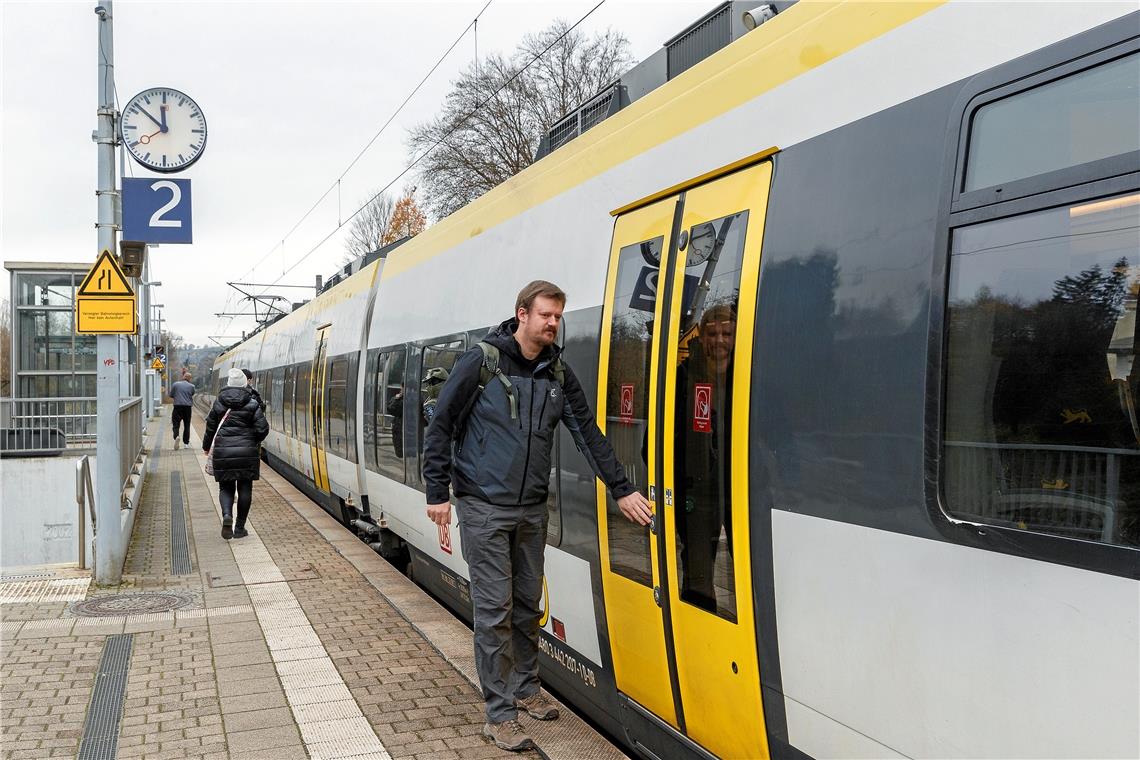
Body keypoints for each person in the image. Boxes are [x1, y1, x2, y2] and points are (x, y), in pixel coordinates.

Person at [423, 280, 652, 752]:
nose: (552, 323)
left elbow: (588, 434)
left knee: (528, 605)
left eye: (558, 316)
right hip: (484, 507)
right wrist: (437, 493)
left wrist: (622, 489)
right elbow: (440, 424)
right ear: (522, 314)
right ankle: (499, 714)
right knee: (494, 611)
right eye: (545, 314)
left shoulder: (557, 373)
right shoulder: (482, 362)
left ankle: (526, 690)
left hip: (530, 509)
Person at [675, 303, 737, 615]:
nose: (720, 340)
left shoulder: (750, 375)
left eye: (727, 333)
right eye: (712, 333)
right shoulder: (685, 377)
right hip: (698, 491)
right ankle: (700, 623)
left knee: (746, 563)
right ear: (702, 335)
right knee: (698, 566)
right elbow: (659, 441)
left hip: (740, 487)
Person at [203, 368, 269, 540]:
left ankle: (226, 515)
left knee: (226, 487)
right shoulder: (252, 403)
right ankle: (239, 528)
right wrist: (252, 440)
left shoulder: (218, 403)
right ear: (244, 383)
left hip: (223, 451)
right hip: (247, 451)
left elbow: (210, 429)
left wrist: (206, 447)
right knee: (245, 488)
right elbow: (262, 429)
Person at [168, 372, 196, 450]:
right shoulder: (192, 386)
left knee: (176, 424)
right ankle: (186, 443)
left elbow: (171, 395)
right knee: (187, 425)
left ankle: (176, 436)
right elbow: (192, 394)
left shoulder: (175, 384)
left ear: (183, 377)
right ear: (190, 379)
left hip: (177, 407)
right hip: (187, 408)